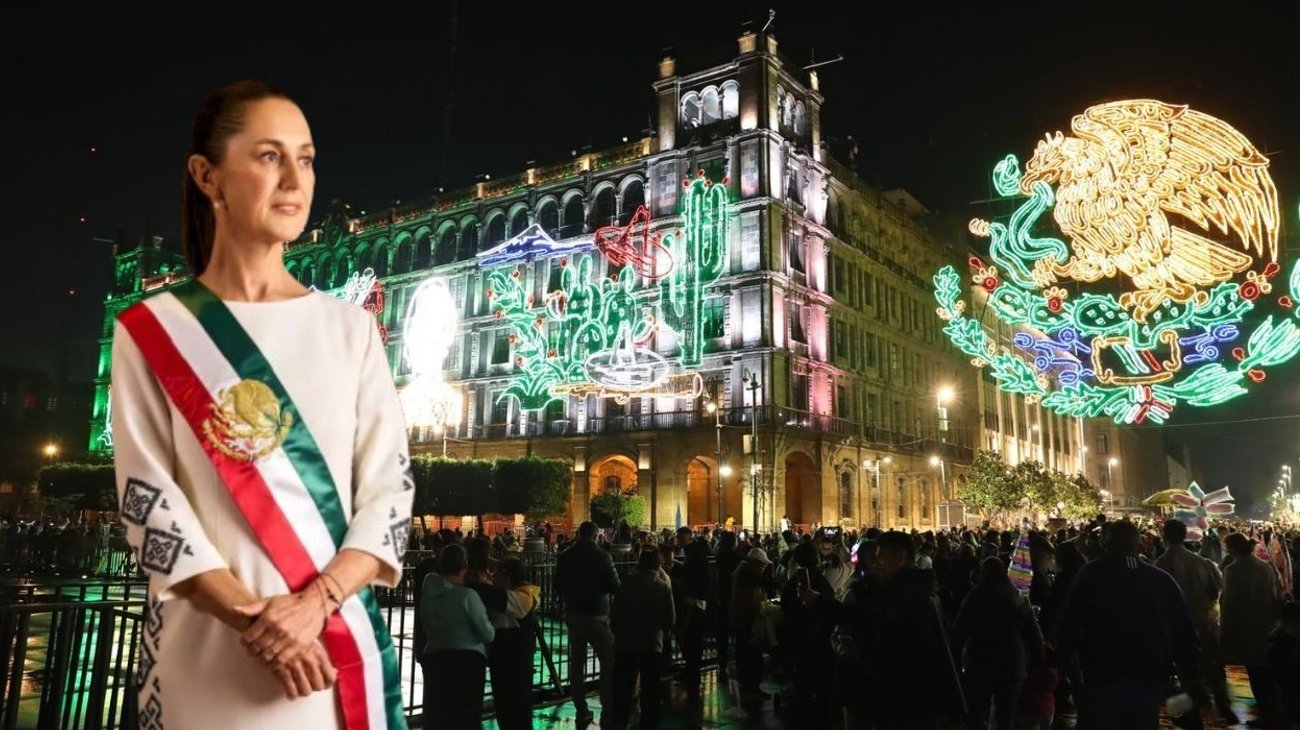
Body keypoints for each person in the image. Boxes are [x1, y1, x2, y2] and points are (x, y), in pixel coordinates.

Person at [111, 80, 412, 728]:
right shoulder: (151, 330)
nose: (295, 180)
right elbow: (148, 503)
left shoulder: (352, 330)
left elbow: (390, 496)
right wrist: (259, 623)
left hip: (330, 662)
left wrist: (315, 604)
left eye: (306, 159)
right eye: (270, 156)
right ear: (208, 176)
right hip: (204, 661)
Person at [1058, 520, 1201, 730]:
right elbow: (1184, 634)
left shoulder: (1092, 575)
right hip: (1148, 676)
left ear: (1106, 544)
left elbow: (1071, 622)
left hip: (1102, 674)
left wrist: (1064, 660)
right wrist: (1188, 676)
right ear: (1139, 545)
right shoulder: (1161, 580)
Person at [420, 544, 495, 729]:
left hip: (435, 657)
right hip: (467, 662)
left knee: (439, 715)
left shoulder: (429, 593)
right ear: (465, 566)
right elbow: (488, 634)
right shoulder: (468, 596)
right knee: (465, 716)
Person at [555, 521, 620, 726]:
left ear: (578, 534)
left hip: (574, 612)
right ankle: (608, 707)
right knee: (607, 661)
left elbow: (558, 585)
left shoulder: (566, 556)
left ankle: (580, 707)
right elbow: (614, 585)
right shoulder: (603, 556)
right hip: (597, 613)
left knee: (577, 662)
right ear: (595, 535)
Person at [609, 548, 676, 730]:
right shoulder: (662, 586)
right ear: (657, 565)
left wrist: (617, 632)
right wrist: (664, 633)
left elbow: (615, 611)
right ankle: (649, 721)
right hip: (651, 642)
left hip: (626, 641)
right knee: (650, 685)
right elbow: (670, 618)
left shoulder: (627, 583)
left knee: (624, 684)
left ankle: (620, 719)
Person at [1221, 531, 1284, 720]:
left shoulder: (1232, 571)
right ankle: (1271, 709)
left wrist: (1226, 633)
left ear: (1231, 549)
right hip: (1267, 627)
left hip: (1244, 629)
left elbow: (1229, 606)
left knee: (1250, 673)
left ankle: (1260, 713)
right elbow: (1277, 597)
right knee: (1265, 670)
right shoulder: (1266, 567)